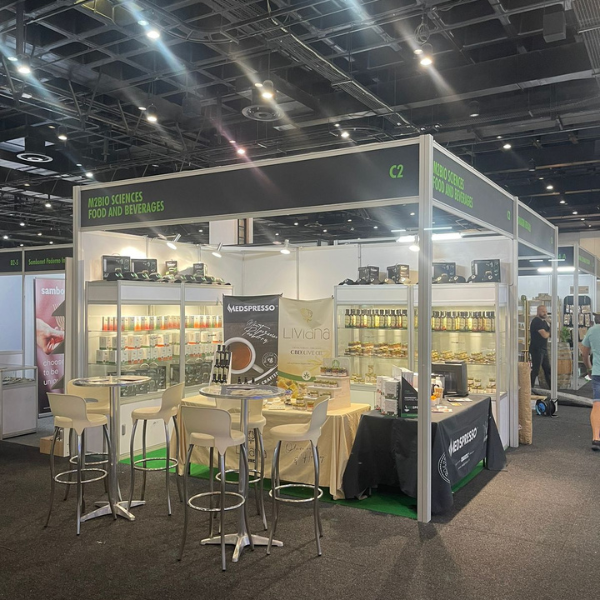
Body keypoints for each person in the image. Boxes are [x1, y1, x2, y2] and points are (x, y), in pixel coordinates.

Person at [580, 314, 600, 451]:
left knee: (597, 405)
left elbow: (584, 353)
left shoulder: (592, 331)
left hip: (597, 372)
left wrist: (589, 367)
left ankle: (596, 438)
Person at [530, 305, 551, 388]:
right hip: (537, 349)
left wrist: (551, 323)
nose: (545, 313)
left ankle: (551, 388)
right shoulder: (536, 321)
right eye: (543, 311)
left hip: (543, 348)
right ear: (538, 312)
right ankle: (530, 388)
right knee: (535, 370)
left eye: (546, 311)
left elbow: (550, 333)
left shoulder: (544, 322)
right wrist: (549, 333)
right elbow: (545, 335)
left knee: (547, 369)